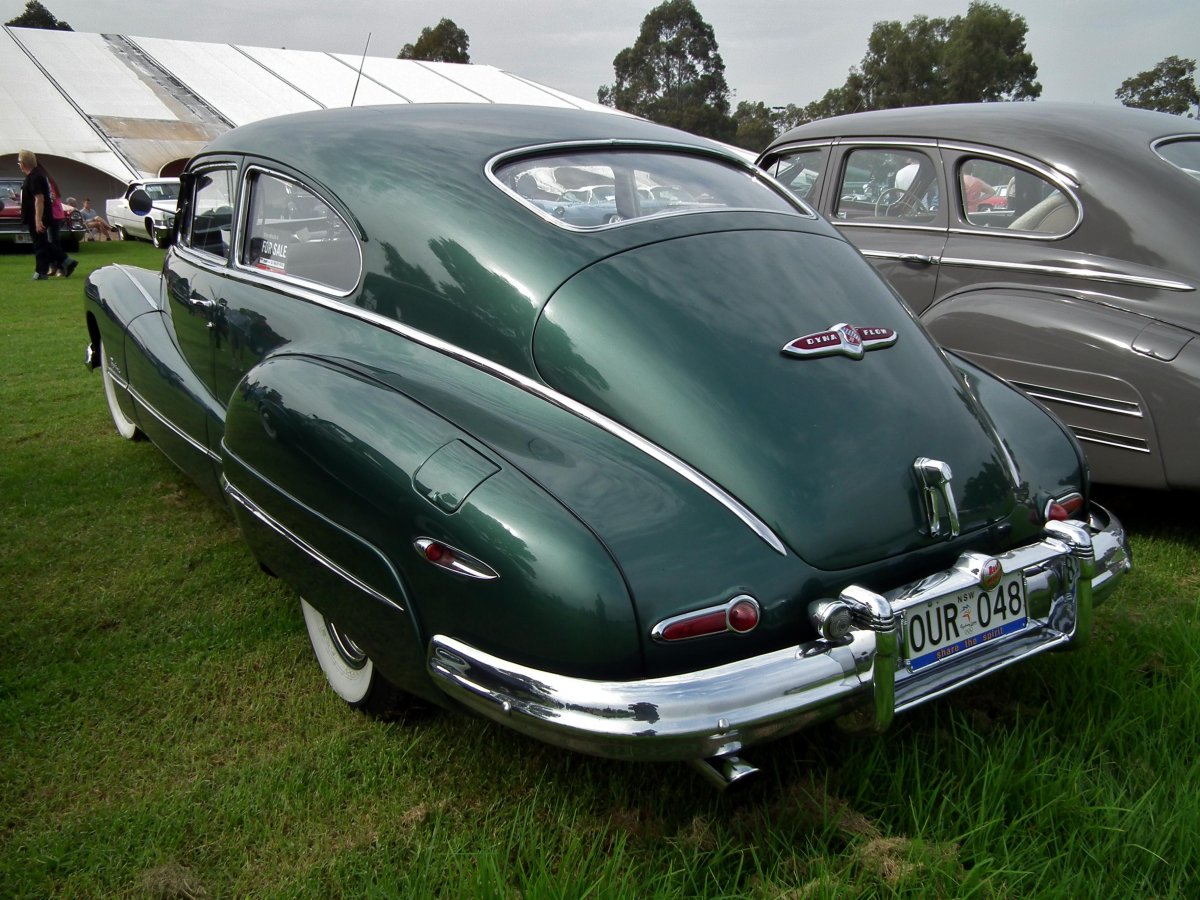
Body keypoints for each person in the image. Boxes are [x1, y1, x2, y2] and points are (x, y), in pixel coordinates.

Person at [17, 149, 77, 280]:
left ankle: (46, 270)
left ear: (24, 163)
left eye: (19, 162)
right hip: (38, 216)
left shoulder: (35, 177)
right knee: (43, 244)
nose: (19, 165)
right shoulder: (35, 176)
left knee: (40, 245)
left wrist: (38, 220)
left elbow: (39, 199)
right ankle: (62, 264)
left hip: (39, 217)